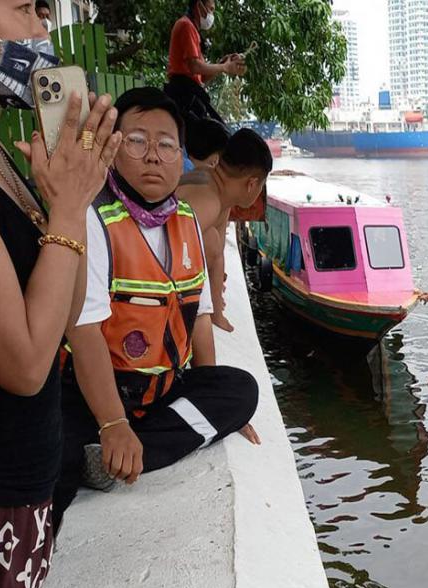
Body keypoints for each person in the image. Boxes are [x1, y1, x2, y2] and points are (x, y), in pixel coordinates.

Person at [54, 87, 261, 533]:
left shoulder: (186, 219)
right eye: (136, 141)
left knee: (241, 392)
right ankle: (108, 447)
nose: (153, 156)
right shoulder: (93, 218)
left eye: (166, 145)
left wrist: (218, 407)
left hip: (162, 390)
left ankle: (123, 453)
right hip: (96, 395)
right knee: (55, 462)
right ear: (111, 148)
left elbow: (200, 318)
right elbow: (83, 330)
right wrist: (111, 422)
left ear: (180, 156)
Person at [0, 0, 121, 588]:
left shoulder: (3, 165)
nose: (43, 32)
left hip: (27, 500)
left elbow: (66, 311)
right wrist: (67, 205)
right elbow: (27, 362)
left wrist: (67, 199)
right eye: (22, 10)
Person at [177, 127, 272, 332]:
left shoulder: (210, 180)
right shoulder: (209, 202)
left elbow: (218, 253)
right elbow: (168, 249)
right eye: (261, 185)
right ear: (252, 184)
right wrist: (215, 312)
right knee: (210, 240)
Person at [164, 0, 245, 126]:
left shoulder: (192, 29)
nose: (212, 15)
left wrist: (221, 64)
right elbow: (195, 66)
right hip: (183, 94)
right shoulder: (186, 26)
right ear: (199, 6)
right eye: (211, 9)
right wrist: (224, 67)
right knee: (217, 133)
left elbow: (202, 77)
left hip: (189, 93)